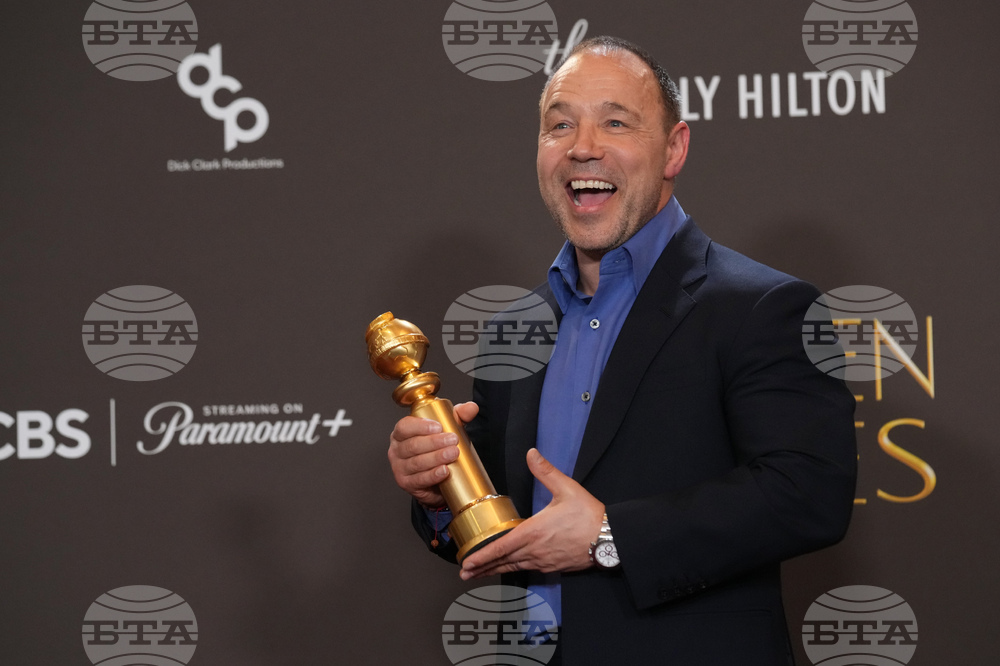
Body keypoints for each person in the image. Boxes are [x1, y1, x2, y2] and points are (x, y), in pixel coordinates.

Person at [387, 36, 857, 665]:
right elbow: (496, 529)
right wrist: (437, 486)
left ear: (675, 148)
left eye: (615, 121)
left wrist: (609, 535)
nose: (583, 146)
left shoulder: (762, 307)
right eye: (560, 125)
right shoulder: (512, 330)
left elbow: (809, 494)